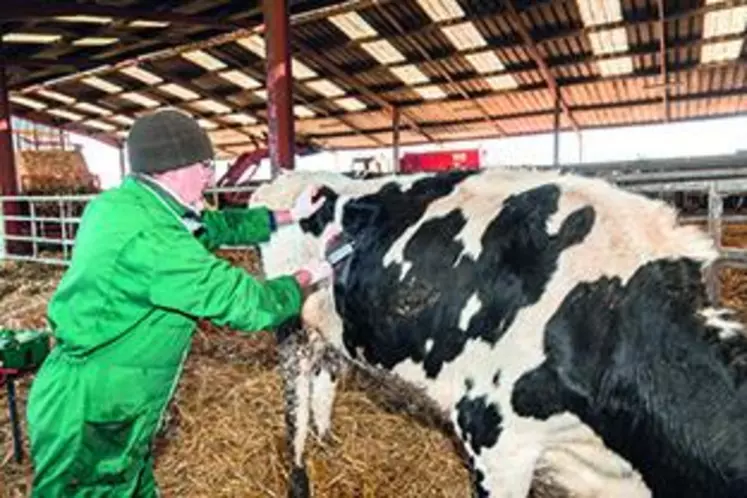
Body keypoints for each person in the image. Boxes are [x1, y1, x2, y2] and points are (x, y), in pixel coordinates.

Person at [25, 108, 333, 497]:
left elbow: (217, 227)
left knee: (133, 484)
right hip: (95, 410)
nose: (210, 174)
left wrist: (290, 215)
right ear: (170, 167)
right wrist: (306, 277)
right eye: (204, 164)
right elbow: (249, 304)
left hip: (119, 400)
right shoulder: (153, 239)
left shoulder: (133, 205)